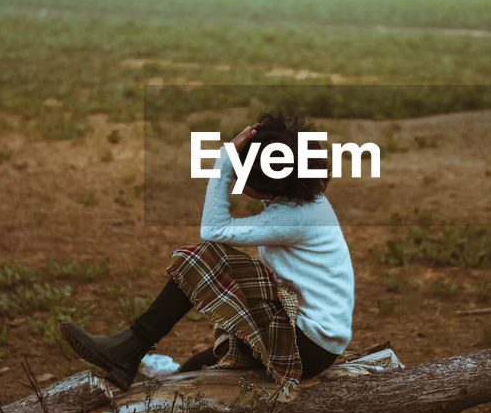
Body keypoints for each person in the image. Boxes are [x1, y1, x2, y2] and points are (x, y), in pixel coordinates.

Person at [60, 110, 354, 394]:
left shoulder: (293, 218)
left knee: (209, 257)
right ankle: (126, 356)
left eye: (240, 175)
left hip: (307, 343)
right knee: (193, 371)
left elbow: (214, 233)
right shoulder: (303, 203)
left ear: (265, 190)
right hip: (311, 339)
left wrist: (222, 165)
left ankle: (130, 346)